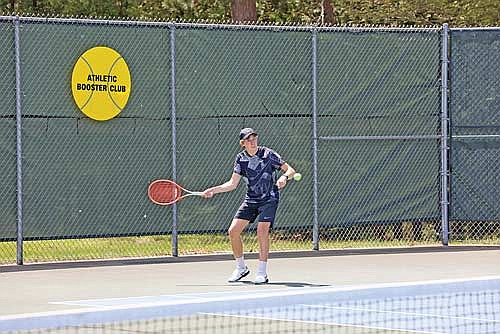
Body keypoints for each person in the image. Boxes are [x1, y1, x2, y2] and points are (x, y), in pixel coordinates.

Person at [202, 128, 296, 284]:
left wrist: (284, 177)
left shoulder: (268, 154)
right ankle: (241, 268)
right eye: (249, 140)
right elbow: (232, 184)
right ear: (243, 143)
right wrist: (214, 190)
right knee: (233, 231)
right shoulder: (240, 159)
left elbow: (291, 170)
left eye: (254, 138)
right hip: (251, 200)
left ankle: (262, 273)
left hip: (269, 198)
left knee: (262, 230)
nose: (253, 142)